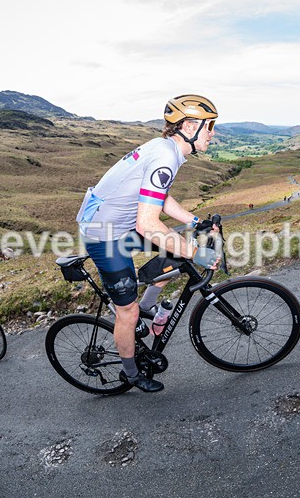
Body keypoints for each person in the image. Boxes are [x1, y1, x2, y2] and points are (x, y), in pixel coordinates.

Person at [76, 94, 221, 393]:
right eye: (210, 126)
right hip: (104, 236)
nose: (213, 133)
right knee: (126, 312)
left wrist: (195, 223)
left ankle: (148, 307)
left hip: (118, 224)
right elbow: (148, 225)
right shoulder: (166, 157)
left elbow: (161, 197)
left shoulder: (166, 148)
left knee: (174, 251)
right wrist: (197, 252)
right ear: (190, 126)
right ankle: (130, 373)